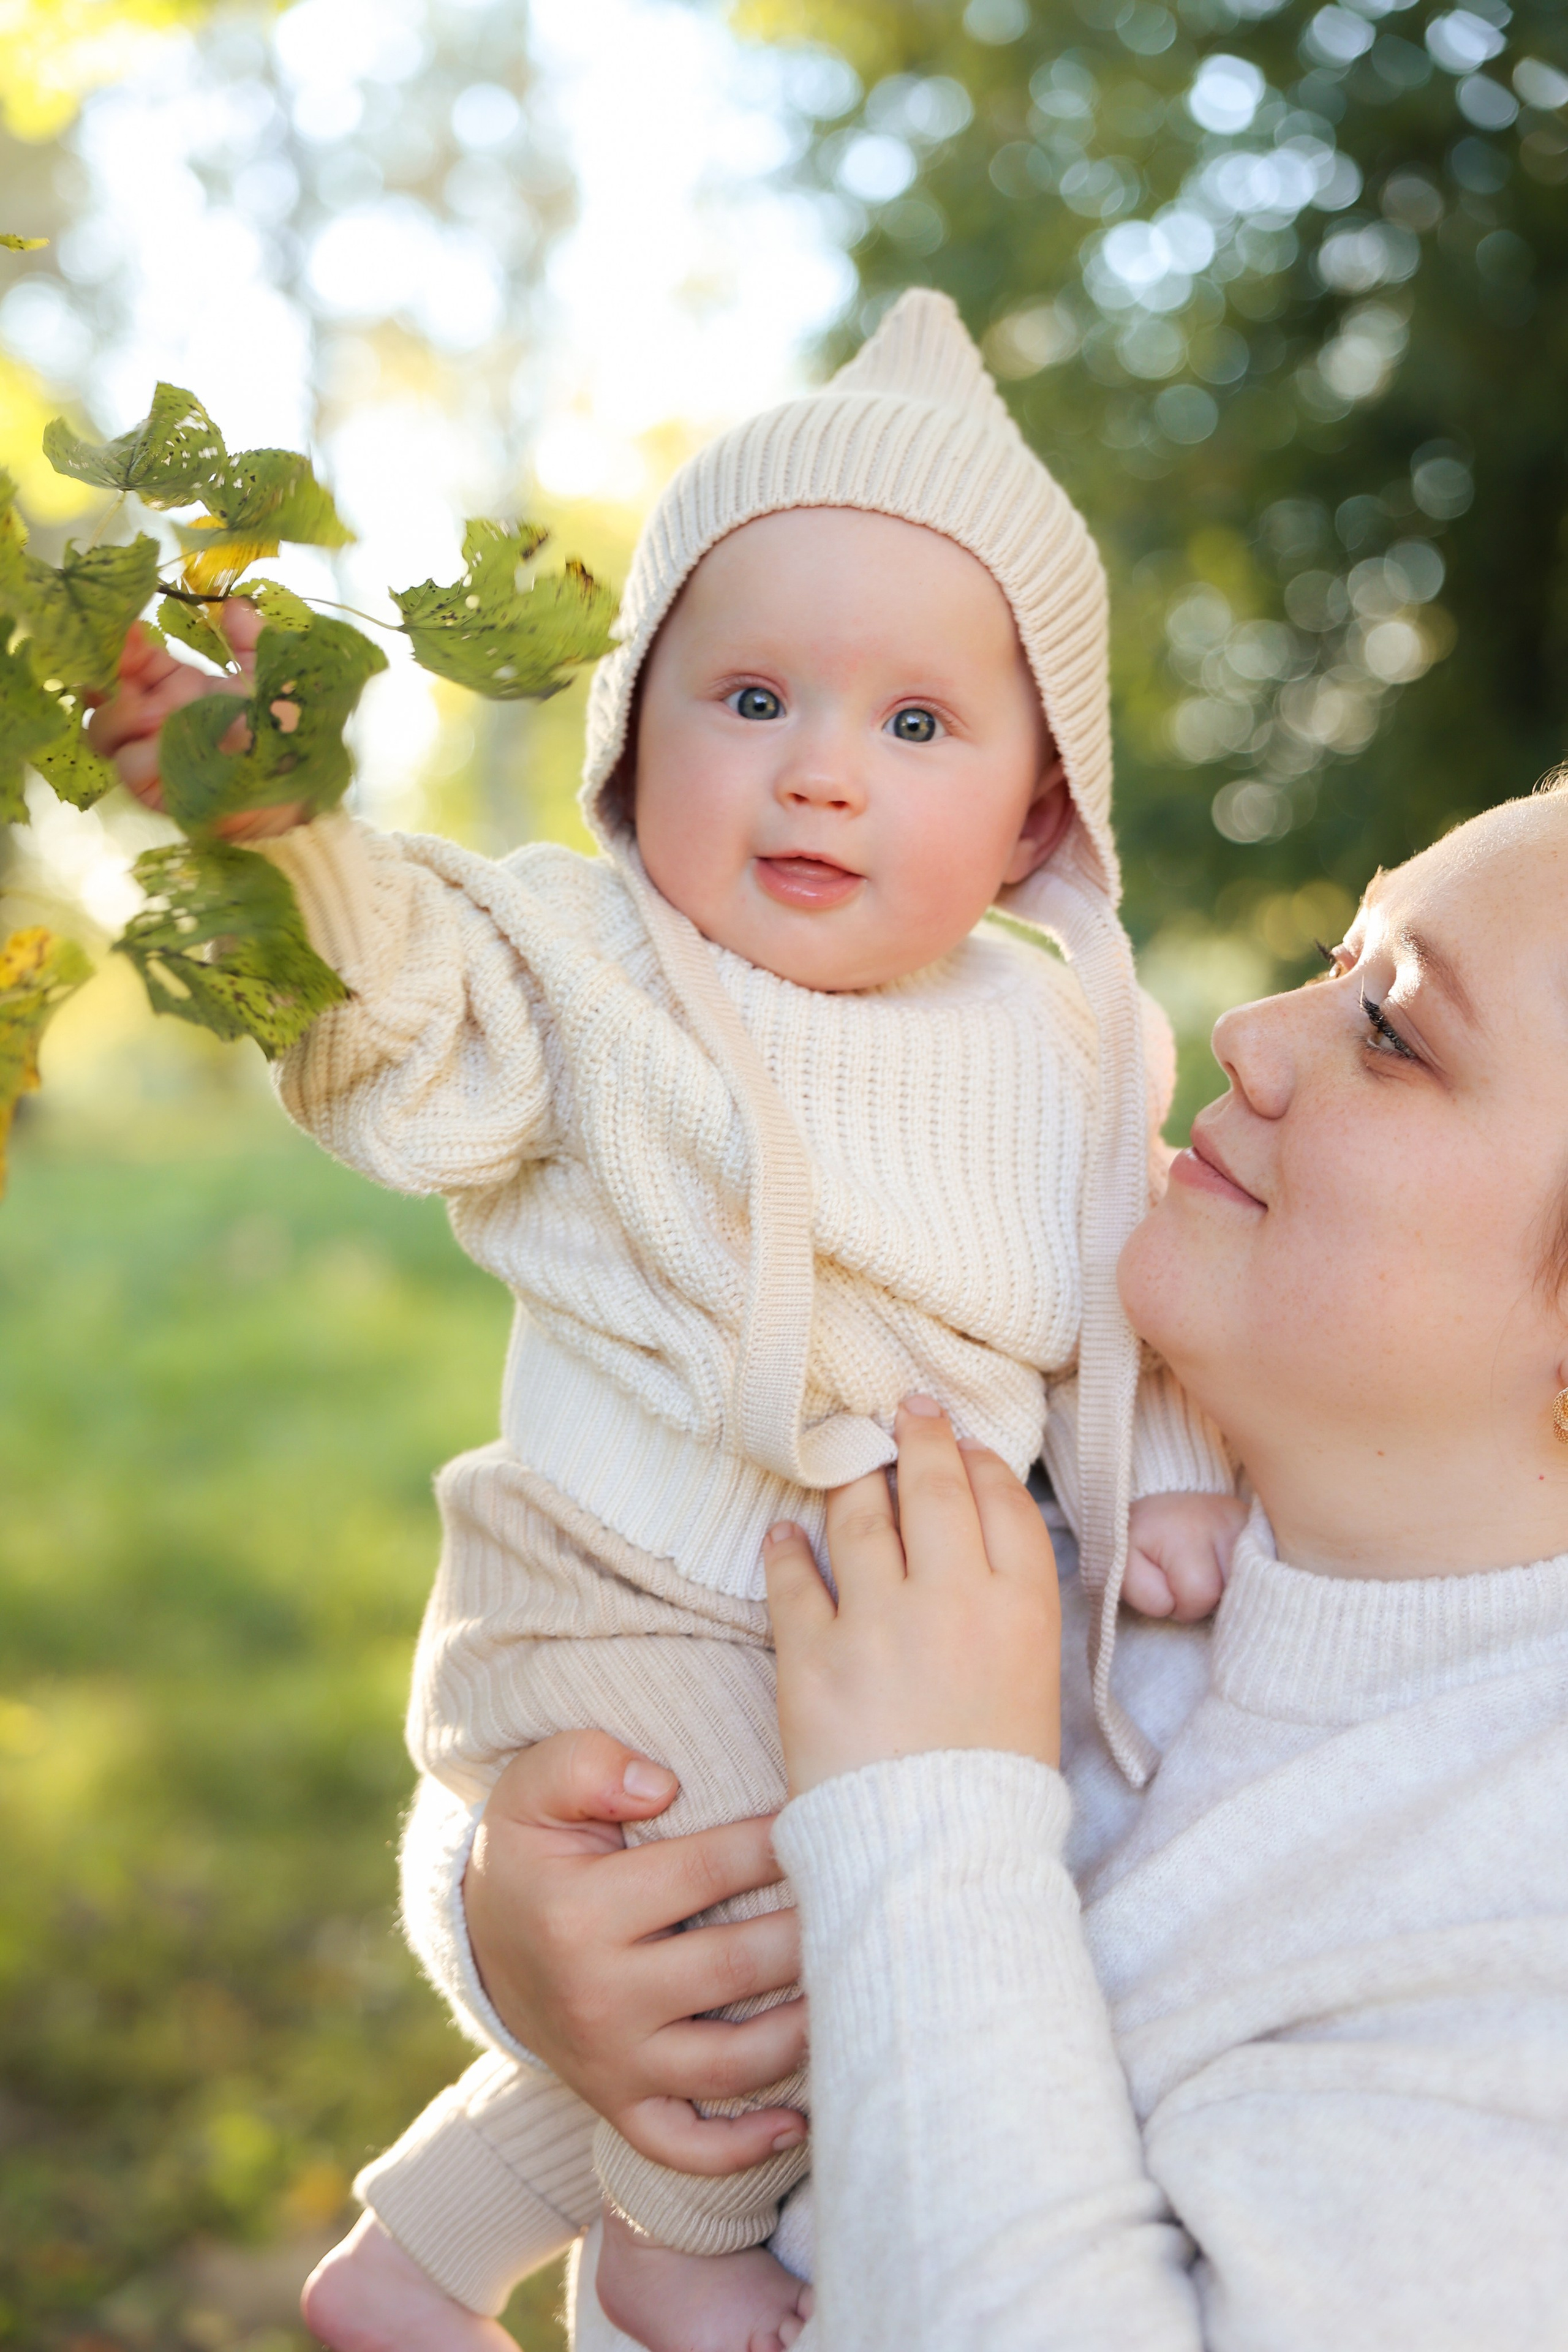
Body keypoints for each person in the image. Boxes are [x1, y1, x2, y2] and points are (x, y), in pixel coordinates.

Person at [89, 290, 1241, 2352]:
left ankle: (416, 2252)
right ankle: (676, 2245)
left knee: (837, 1889)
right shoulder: (588, 966)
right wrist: (285, 834)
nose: (817, 777)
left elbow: (1120, 1292)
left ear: (1041, 817)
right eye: (751, 699)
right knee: (740, 1900)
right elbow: (412, 986)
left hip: (882, 1608)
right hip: (626, 1583)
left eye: (913, 727)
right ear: (638, 728)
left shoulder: (1075, 1044)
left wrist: (1154, 1474)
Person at [452, 785, 1568, 2349]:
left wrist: (928, 1813)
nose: (1247, 1030)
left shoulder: (1524, 1937)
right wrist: (524, 1941)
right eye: (1333, 959)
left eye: (1389, 1029)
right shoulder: (1047, 1473)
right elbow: (651, 1711)